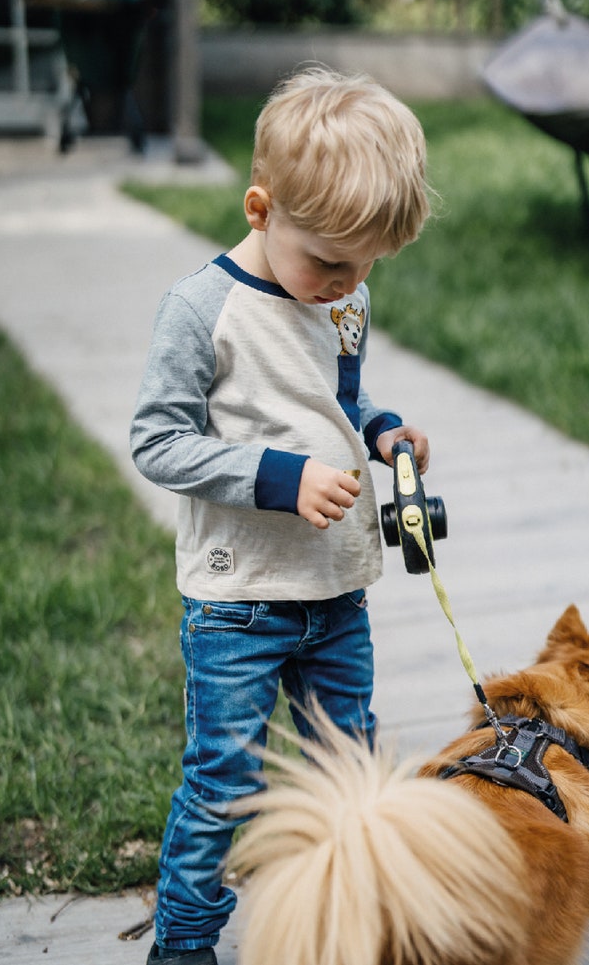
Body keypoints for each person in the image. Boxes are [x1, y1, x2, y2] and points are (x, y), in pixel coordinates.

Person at [130, 65, 432, 965]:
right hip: (240, 604)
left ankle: (350, 927)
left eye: (366, 266)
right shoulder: (201, 311)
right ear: (261, 210)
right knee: (225, 782)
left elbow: (337, 391)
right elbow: (158, 442)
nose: (348, 285)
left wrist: (379, 429)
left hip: (336, 591)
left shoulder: (344, 295)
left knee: (352, 776)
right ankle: (184, 945)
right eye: (332, 263)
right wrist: (279, 476)